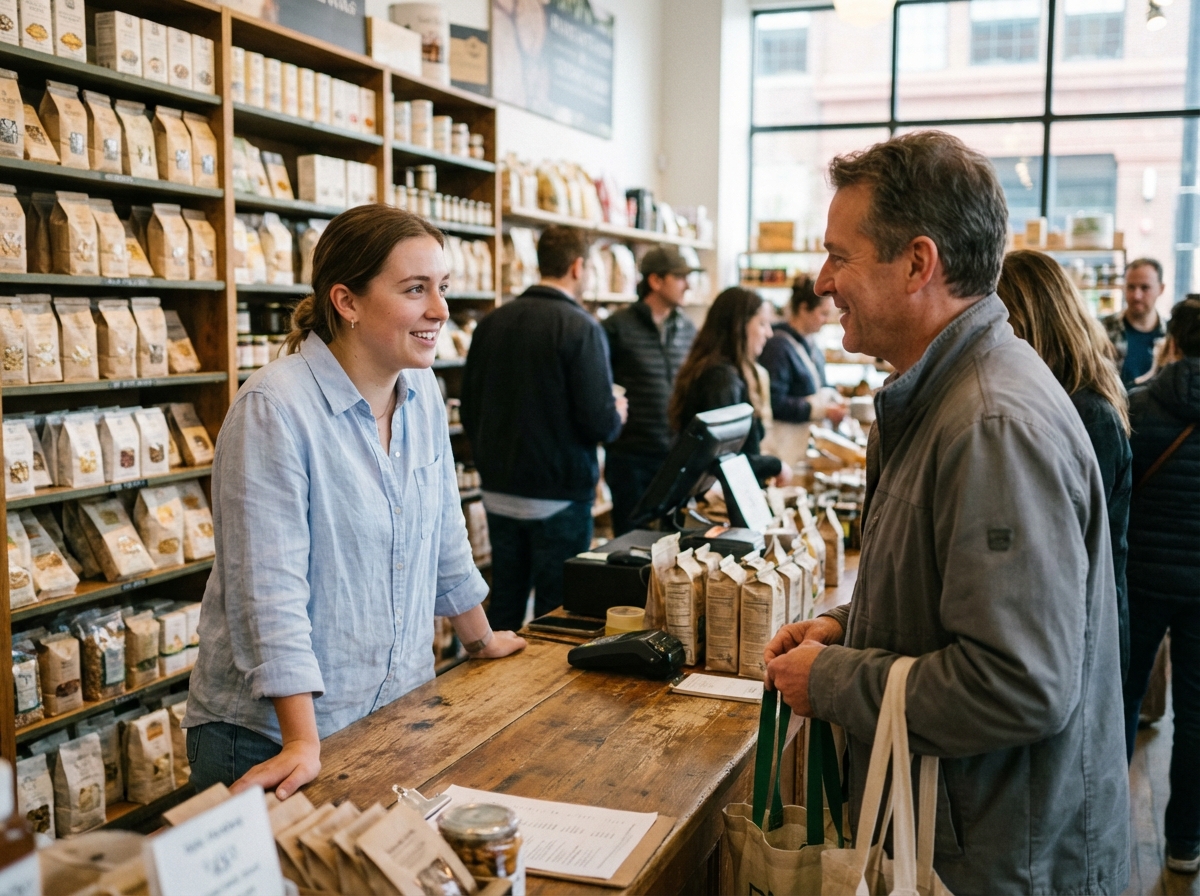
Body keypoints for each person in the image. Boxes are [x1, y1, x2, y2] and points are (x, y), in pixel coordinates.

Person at [763, 131, 1129, 894]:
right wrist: (848, 627)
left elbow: (1017, 683)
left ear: (919, 264)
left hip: (997, 860)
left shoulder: (991, 423)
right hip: (967, 842)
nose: (823, 279)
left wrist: (833, 680)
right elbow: (956, 596)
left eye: (841, 255)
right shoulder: (946, 397)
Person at [184, 206, 527, 800]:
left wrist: (481, 637)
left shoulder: (420, 387)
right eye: (415, 289)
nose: (440, 310)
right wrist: (301, 739)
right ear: (347, 301)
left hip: (389, 710)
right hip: (270, 738)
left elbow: (443, 529)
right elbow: (267, 593)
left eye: (441, 288)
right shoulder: (275, 408)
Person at [461, 226, 626, 631]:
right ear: (578, 267)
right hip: (559, 497)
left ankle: (491, 694)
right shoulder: (582, 327)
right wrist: (616, 411)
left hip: (498, 493)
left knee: (503, 609)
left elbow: (469, 408)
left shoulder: (491, 323)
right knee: (556, 617)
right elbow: (598, 422)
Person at [997, 249, 1132, 680]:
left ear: (1028, 323)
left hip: (1082, 637)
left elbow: (1065, 546)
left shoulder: (1086, 413)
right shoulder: (1063, 402)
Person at [1122, 297, 1200, 874]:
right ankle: (1183, 845)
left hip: (1142, 577)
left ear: (1173, 339)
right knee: (1197, 718)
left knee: (1120, 701)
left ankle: (1103, 824)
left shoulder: (1140, 405)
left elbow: (1118, 498)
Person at [602, 246, 699, 535]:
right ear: (655, 281)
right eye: (681, 277)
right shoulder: (615, 327)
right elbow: (601, 388)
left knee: (673, 545)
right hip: (630, 458)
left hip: (675, 457)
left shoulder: (687, 329)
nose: (688, 285)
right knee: (631, 546)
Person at [668, 287, 791, 485]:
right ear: (739, 326)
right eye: (762, 324)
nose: (769, 333)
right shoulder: (721, 379)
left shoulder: (722, 371)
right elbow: (721, 460)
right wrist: (775, 465)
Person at [758, 275, 846, 464]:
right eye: (822, 313)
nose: (825, 320)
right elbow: (774, 402)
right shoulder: (778, 347)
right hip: (784, 449)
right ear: (804, 309)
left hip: (803, 446)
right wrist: (819, 409)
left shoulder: (811, 343)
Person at [1102, 258, 1167, 388]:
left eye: (1145, 288)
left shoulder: (1172, 336)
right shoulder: (1102, 330)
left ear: (1161, 289)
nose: (1136, 295)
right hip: (1116, 407)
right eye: (1131, 287)